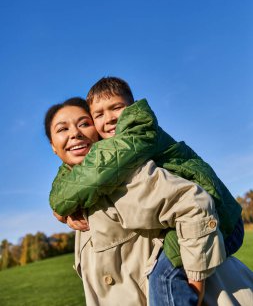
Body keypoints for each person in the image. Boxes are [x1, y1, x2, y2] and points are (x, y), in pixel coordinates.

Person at [49, 77, 245, 304]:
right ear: (53, 147)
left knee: (164, 279)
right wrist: (63, 209)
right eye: (98, 115)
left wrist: (196, 282)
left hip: (220, 214)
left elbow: (94, 173)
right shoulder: (93, 181)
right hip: (206, 215)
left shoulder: (130, 147)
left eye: (84, 123)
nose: (109, 118)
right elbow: (80, 177)